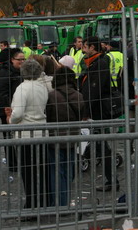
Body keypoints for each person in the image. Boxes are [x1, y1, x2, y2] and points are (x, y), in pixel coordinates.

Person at [5, 59, 48, 210]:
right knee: (41, 170)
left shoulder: (22, 88)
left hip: (26, 134)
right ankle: (43, 200)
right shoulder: (42, 87)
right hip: (42, 132)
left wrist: (10, 119)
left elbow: (17, 114)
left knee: (28, 172)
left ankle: (31, 203)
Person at [80, 36, 119, 191]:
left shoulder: (100, 64)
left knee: (102, 146)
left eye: (84, 46)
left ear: (92, 48)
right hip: (95, 112)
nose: (82, 49)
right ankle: (111, 179)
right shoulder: (93, 63)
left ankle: (112, 181)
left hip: (98, 112)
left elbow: (93, 91)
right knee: (99, 143)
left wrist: (86, 112)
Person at [46, 66, 88, 206]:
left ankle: (59, 202)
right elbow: (81, 116)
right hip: (72, 138)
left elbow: (49, 117)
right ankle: (66, 198)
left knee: (57, 172)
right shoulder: (79, 96)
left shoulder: (52, 96)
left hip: (55, 138)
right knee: (69, 170)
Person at [0, 48, 25, 171]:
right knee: (9, 137)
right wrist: (9, 110)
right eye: (20, 59)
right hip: (7, 110)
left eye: (24, 59)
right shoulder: (5, 72)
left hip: (20, 109)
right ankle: (12, 164)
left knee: (21, 136)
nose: (22, 61)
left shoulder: (21, 72)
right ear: (12, 60)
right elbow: (2, 93)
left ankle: (22, 162)